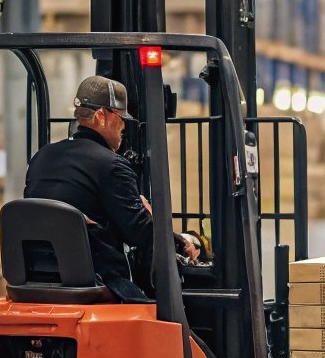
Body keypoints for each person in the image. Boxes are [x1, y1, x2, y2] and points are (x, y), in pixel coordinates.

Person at [24, 75, 198, 301]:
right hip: (96, 280)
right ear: (102, 116)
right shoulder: (112, 165)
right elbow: (139, 233)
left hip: (35, 279)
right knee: (158, 310)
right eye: (120, 117)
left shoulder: (41, 158)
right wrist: (181, 241)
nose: (124, 125)